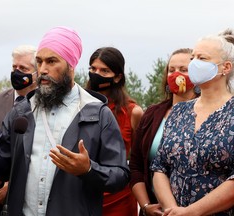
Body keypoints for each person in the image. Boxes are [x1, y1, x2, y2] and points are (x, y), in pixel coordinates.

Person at [0, 26, 130, 216]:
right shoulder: (21, 111)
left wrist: (88, 169)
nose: (43, 69)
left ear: (71, 65)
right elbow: (2, 170)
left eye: (51, 61)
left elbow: (120, 176)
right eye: (39, 61)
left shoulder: (98, 114)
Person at [150, 29, 234, 215]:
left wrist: (191, 212)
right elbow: (159, 168)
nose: (194, 63)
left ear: (225, 67)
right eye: (193, 58)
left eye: (202, 59)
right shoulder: (179, 111)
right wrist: (173, 210)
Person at [129, 48, 200, 216]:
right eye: (171, 70)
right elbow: (136, 164)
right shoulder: (152, 114)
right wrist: (145, 205)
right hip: (156, 209)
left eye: (184, 70)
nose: (176, 74)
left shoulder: (212, 114)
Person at [86, 46, 143, 216]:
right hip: (83, 193)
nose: (97, 74)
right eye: (93, 69)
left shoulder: (133, 112)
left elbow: (138, 160)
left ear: (118, 77)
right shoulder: (77, 106)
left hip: (119, 197)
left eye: (104, 71)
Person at [0, 45, 37, 216]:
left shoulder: (44, 104)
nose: (17, 72)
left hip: (26, 197)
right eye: (14, 67)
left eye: (23, 68)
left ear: (36, 73)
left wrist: (8, 185)